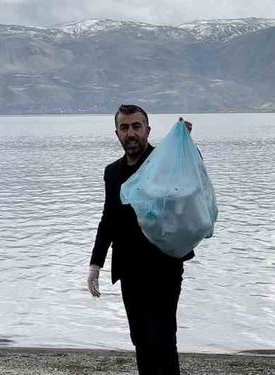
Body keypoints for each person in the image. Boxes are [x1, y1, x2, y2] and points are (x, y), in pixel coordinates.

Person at [88, 104, 194, 375]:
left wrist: (184, 144)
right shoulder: (112, 172)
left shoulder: (164, 162)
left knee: (163, 337)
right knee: (140, 340)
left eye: (136, 126)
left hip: (164, 267)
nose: (131, 133)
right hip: (129, 269)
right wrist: (95, 265)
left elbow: (192, 179)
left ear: (148, 130)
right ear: (117, 133)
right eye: (124, 127)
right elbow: (107, 218)